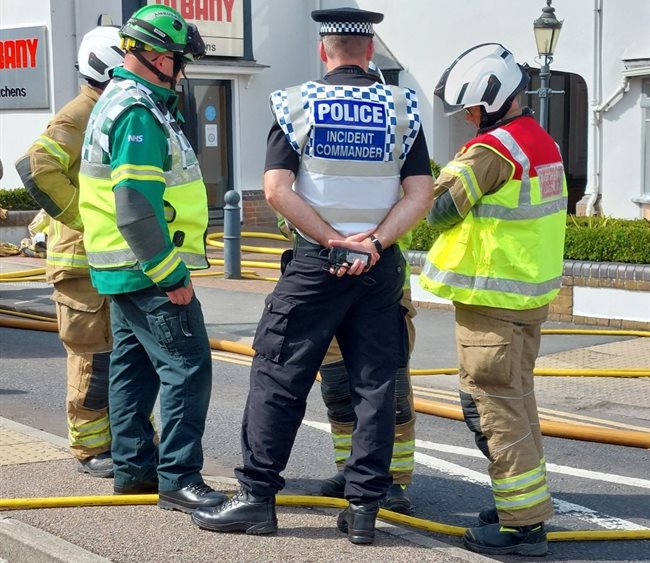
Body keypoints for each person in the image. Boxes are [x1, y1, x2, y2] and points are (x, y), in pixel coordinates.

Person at [191, 7, 433, 545]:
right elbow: (420, 193)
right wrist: (371, 243)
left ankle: (257, 498)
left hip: (317, 265)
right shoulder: (402, 109)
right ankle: (365, 508)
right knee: (375, 383)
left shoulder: (296, 104)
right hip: (378, 265)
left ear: (323, 52)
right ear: (370, 52)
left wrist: (331, 240)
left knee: (280, 376)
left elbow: (277, 188)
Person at [77, 5, 226, 513]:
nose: (182, 71)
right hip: (149, 270)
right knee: (187, 368)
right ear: (156, 56)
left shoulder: (120, 99)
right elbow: (137, 206)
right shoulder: (138, 110)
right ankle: (180, 479)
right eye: (178, 60)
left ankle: (134, 470)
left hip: (121, 270)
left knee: (133, 369)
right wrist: (171, 274)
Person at [420, 43, 567, 556]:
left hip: (491, 303)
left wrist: (417, 175)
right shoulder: (540, 141)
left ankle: (522, 528)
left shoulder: (492, 151)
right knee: (517, 404)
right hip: (526, 302)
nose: (467, 117)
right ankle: (521, 507)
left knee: (491, 408)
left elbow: (436, 209)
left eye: (472, 108)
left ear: (494, 100)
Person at [15, 26, 125, 478]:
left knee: (122, 358)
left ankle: (127, 443)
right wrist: (85, 219)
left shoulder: (112, 110)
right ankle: (90, 450)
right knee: (93, 359)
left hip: (111, 259)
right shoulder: (79, 114)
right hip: (81, 265)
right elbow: (34, 165)